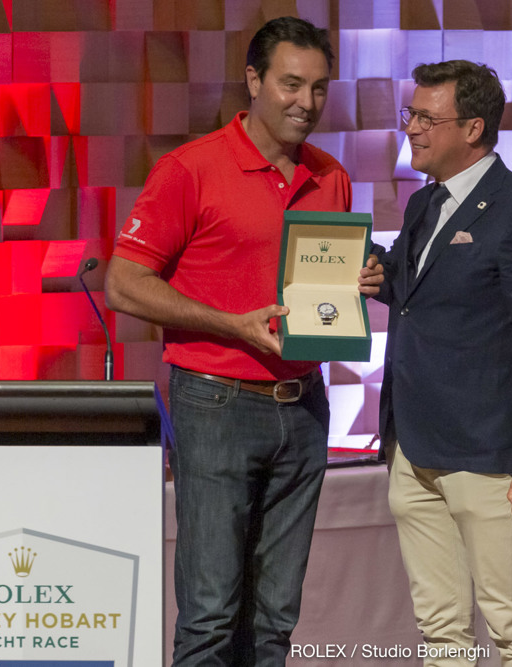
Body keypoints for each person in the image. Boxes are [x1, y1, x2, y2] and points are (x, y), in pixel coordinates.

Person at [105, 17, 383, 666]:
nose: (305, 103)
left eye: (318, 88)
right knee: (209, 614)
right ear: (254, 81)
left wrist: (357, 279)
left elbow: (318, 285)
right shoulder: (190, 169)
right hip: (217, 402)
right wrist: (232, 324)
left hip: (307, 406)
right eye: (290, 84)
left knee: (275, 619)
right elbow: (124, 283)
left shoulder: (332, 177)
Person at [364, 60, 512, 664]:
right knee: (441, 632)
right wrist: (375, 276)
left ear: (474, 128)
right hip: (414, 448)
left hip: (488, 457)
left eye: (428, 118)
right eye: (411, 115)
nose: (413, 129)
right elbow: (417, 292)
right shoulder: (424, 205)